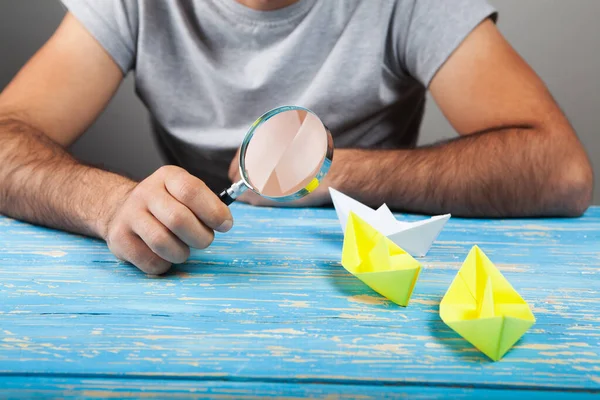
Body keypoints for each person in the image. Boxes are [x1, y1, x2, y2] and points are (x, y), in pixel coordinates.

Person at [0, 0, 593, 275]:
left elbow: (562, 171)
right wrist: (110, 206)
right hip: (205, 278)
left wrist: (337, 174)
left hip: (365, 282)